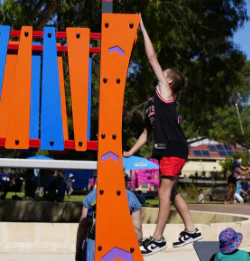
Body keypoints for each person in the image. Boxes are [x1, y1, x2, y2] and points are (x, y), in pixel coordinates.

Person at [123, 14, 202, 256]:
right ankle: (191, 230)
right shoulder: (153, 104)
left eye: (162, 73)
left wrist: (143, 29)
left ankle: (157, 239)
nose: (159, 73)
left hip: (174, 148)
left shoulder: (165, 92)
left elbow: (151, 57)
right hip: (169, 149)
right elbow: (147, 133)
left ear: (167, 80)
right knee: (172, 192)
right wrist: (130, 152)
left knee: (163, 193)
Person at [75, 185, 142, 261]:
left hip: (94, 243)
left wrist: (78, 250)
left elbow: (83, 224)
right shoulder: (130, 196)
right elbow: (137, 228)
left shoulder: (93, 194)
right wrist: (137, 249)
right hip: (121, 244)